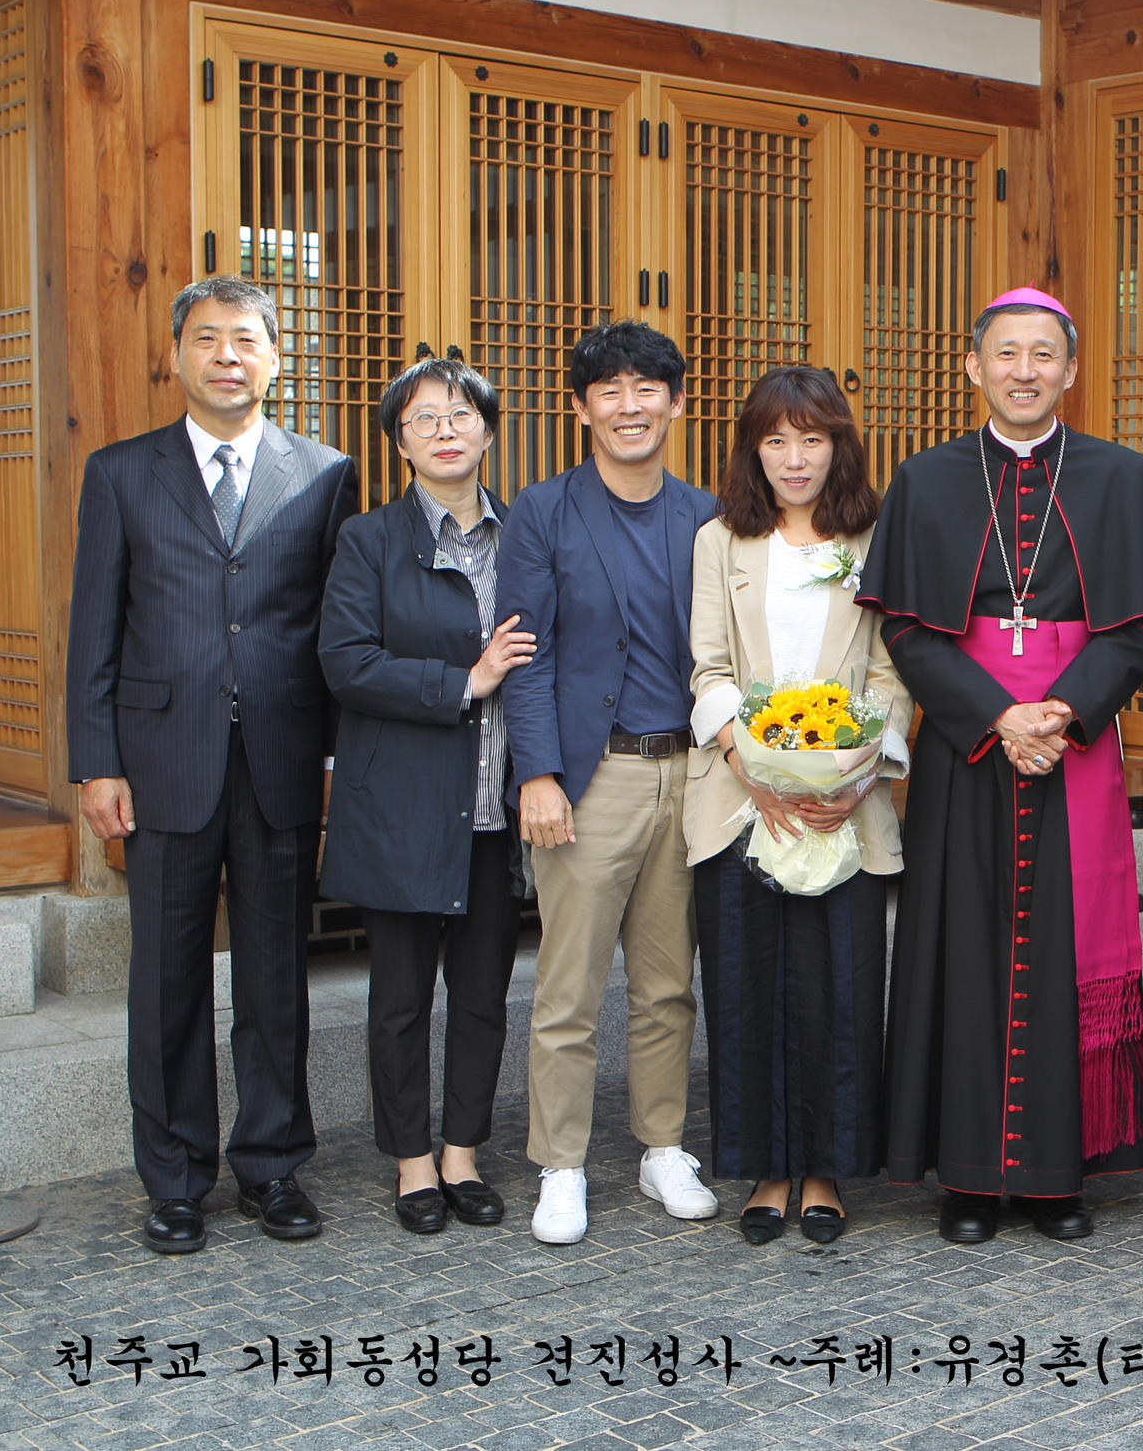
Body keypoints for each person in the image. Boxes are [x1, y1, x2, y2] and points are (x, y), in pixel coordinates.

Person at [856, 287, 1143, 1244]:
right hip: (967, 744)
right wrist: (997, 716)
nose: (1025, 370)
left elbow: (1139, 626)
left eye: (1044, 353)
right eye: (1007, 352)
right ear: (975, 366)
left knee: (1066, 949)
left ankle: (1056, 1174)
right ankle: (967, 1176)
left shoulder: (1121, 477)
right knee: (961, 948)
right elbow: (907, 630)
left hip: (1072, 740)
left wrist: (1063, 712)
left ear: (1070, 370)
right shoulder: (925, 480)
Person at [66, 277, 357, 1254]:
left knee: (277, 978)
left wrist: (336, 756)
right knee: (167, 981)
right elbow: (94, 629)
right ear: (176, 355)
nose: (226, 355)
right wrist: (96, 761)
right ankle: (176, 1176)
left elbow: (334, 628)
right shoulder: (121, 473)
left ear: (274, 357)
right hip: (161, 762)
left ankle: (271, 1164)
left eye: (244, 339)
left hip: (281, 759)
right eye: (206, 338)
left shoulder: (324, 472)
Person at [500, 320, 719, 1244]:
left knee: (669, 983)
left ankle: (662, 1146)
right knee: (570, 986)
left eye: (647, 388)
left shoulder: (708, 514)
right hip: (594, 779)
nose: (630, 406)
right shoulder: (543, 510)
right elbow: (526, 653)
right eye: (610, 390)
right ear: (580, 407)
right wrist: (539, 773)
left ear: (677, 401)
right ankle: (561, 1163)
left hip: (693, 774)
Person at [685, 367, 913, 1245]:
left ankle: (825, 1169)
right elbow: (709, 666)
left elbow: (890, 673)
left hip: (845, 802)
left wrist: (854, 773)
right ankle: (767, 1168)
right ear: (753, 449)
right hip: (743, 801)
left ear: (837, 445)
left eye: (812, 438)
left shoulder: (873, 540)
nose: (794, 457)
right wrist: (751, 764)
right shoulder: (720, 542)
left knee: (839, 988)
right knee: (744, 986)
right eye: (775, 439)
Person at [317, 351, 533, 1235]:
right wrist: (465, 681)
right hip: (402, 807)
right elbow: (345, 661)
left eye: (461, 415)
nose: (445, 432)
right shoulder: (369, 540)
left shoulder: (524, 536)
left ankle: (462, 1154)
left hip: (494, 809)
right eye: (423, 420)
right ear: (399, 443)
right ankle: (411, 1161)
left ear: (488, 431)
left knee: (483, 993)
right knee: (401, 996)